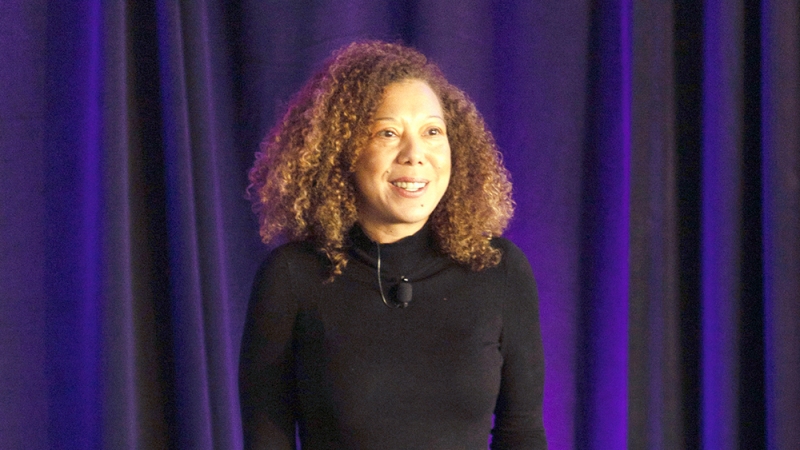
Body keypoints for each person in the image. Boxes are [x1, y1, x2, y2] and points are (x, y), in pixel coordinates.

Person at [239, 41, 547, 449]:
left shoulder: (499, 269)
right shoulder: (293, 276)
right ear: (343, 150)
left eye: (432, 132)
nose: (415, 154)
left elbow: (521, 433)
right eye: (388, 133)